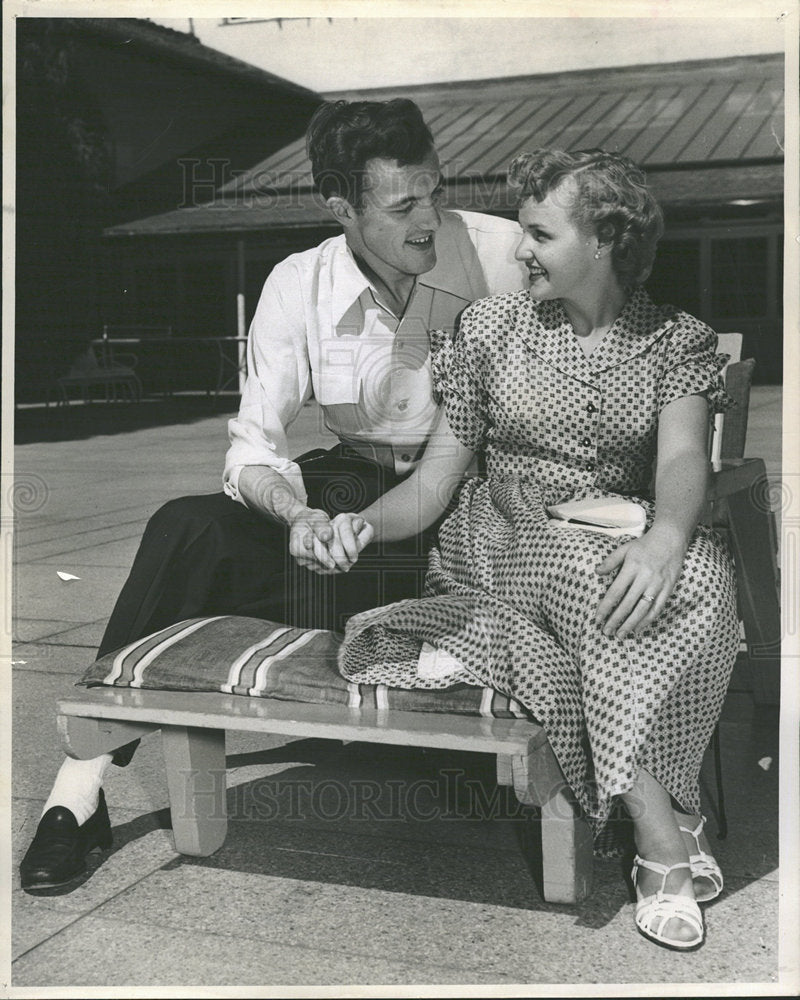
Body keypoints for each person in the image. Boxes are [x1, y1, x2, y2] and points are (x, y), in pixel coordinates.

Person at [19, 98, 527, 892]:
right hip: (351, 492)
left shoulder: (502, 254)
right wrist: (300, 517)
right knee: (188, 528)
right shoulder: (298, 283)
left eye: (435, 189)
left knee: (465, 757)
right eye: (402, 205)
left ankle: (448, 735)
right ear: (341, 209)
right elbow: (254, 444)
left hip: (464, 503)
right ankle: (78, 794)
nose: (430, 216)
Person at [324, 148, 739, 950]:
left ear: (608, 240)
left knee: (699, 582)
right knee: (594, 584)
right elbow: (436, 480)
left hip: (618, 525)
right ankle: (662, 836)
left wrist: (665, 538)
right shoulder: (489, 329)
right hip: (505, 534)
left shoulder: (673, 341)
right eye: (522, 232)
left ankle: (679, 805)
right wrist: (367, 523)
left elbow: (685, 460)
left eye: (540, 234)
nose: (518, 252)